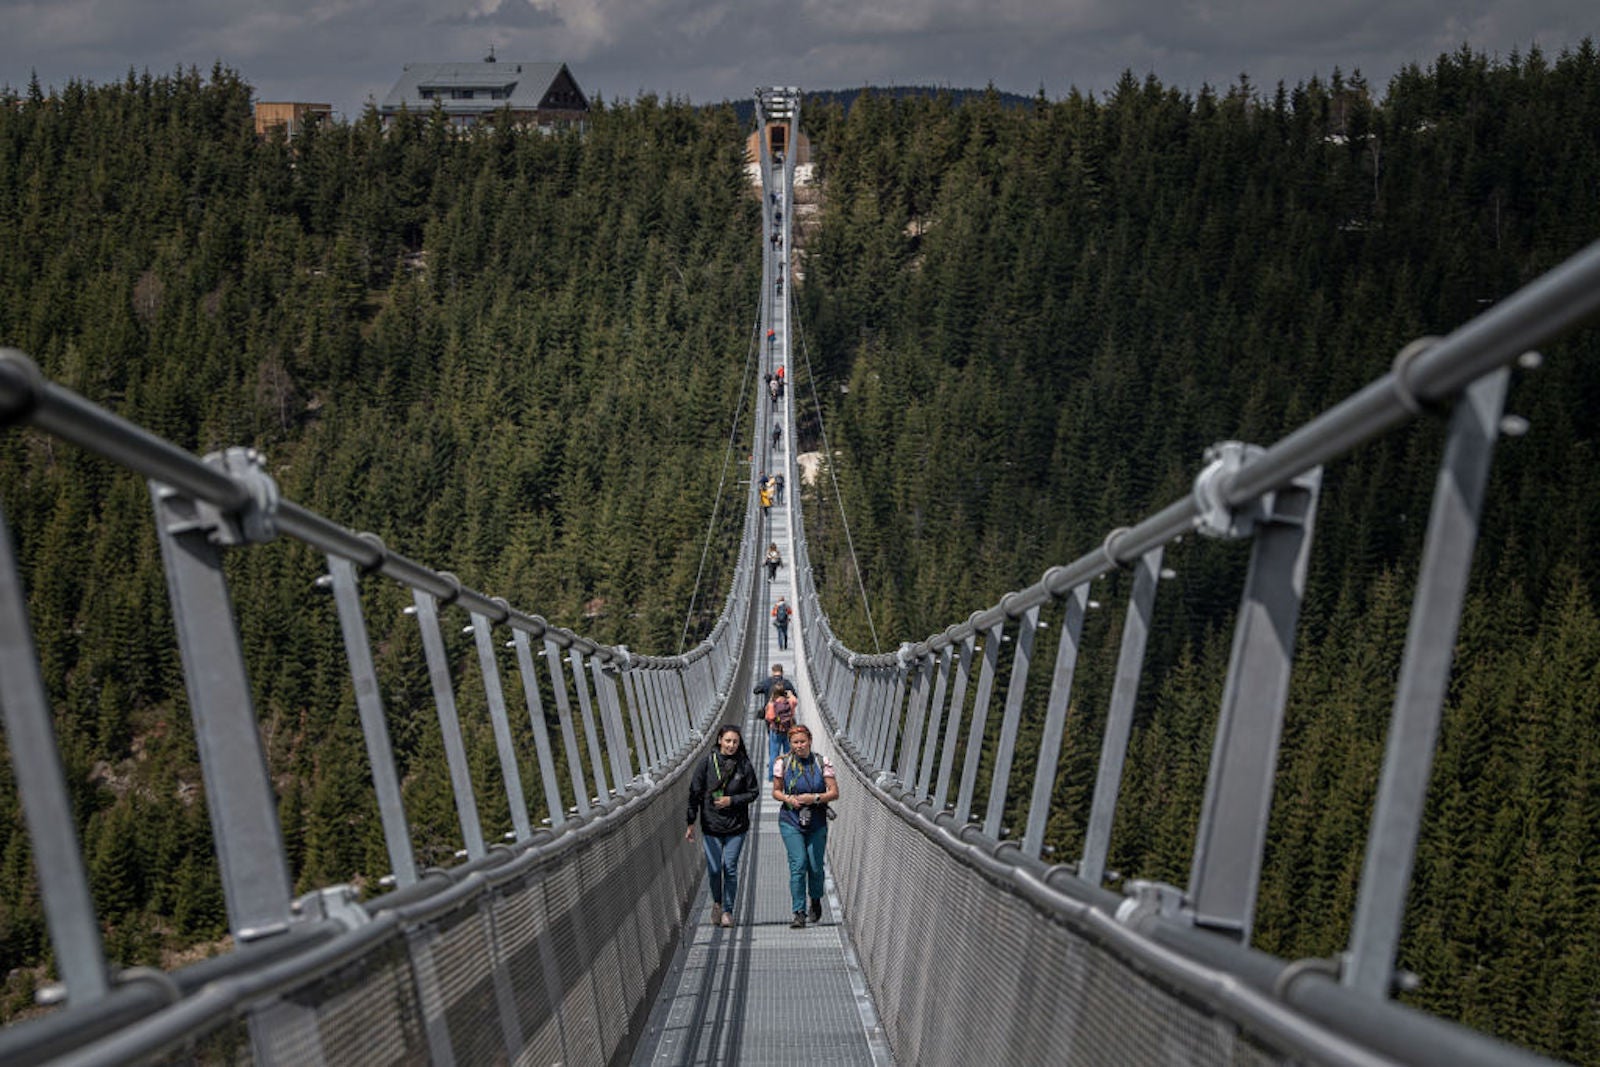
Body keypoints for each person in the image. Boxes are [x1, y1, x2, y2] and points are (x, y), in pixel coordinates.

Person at [685, 725, 759, 928]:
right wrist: (690, 822)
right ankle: (717, 902)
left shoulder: (743, 763)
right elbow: (694, 793)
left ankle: (727, 911)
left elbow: (754, 792)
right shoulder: (706, 763)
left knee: (730, 867)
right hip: (711, 825)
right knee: (716, 869)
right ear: (719, 740)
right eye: (727, 741)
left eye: (735, 741)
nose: (731, 745)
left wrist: (732, 800)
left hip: (736, 826)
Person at [772, 725, 839, 928]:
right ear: (790, 744)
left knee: (815, 866)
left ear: (809, 740)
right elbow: (776, 791)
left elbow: (834, 792)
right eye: (795, 742)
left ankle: (816, 899)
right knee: (798, 864)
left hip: (816, 820)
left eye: (802, 741)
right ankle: (798, 912)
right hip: (790, 820)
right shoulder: (782, 763)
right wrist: (787, 798)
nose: (799, 746)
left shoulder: (821, 762)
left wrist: (815, 798)